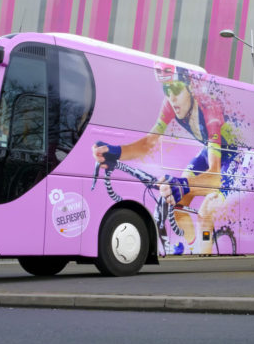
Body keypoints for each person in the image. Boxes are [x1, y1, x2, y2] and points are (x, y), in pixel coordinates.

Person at [92, 62, 239, 254]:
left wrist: (183, 185)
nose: (171, 97)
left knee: (205, 212)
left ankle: (205, 254)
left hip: (234, 157)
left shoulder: (209, 109)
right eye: (166, 90)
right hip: (211, 150)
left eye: (176, 89)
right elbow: (148, 144)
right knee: (176, 206)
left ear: (190, 88)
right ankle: (194, 248)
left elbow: (215, 176)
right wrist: (116, 151)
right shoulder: (170, 104)